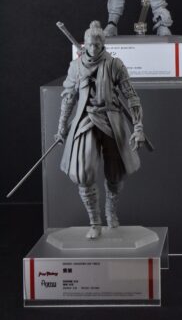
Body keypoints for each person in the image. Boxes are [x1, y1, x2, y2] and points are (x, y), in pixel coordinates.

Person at [55, 21, 145, 238]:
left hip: (112, 120)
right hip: (86, 120)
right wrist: (61, 127)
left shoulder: (115, 65)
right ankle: (94, 222)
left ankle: (110, 211)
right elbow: (68, 98)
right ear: (84, 44)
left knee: (115, 173)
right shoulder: (76, 67)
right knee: (82, 173)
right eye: (89, 44)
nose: (93, 48)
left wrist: (138, 127)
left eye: (97, 44)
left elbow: (132, 97)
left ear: (103, 44)